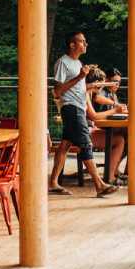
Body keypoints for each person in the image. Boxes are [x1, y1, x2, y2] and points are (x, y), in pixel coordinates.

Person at [49, 31, 118, 197]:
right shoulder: (63, 63)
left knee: (65, 145)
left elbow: (75, 87)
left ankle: (53, 182)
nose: (86, 44)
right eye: (82, 41)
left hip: (78, 107)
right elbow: (58, 91)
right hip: (71, 108)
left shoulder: (78, 62)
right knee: (86, 145)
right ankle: (99, 184)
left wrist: (90, 86)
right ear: (72, 44)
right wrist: (81, 76)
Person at [86, 67, 127, 184]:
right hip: (87, 131)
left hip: (89, 129)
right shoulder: (88, 94)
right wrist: (115, 109)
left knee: (126, 137)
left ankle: (113, 171)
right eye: (102, 83)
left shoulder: (88, 93)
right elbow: (94, 116)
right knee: (120, 140)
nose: (103, 86)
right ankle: (109, 176)